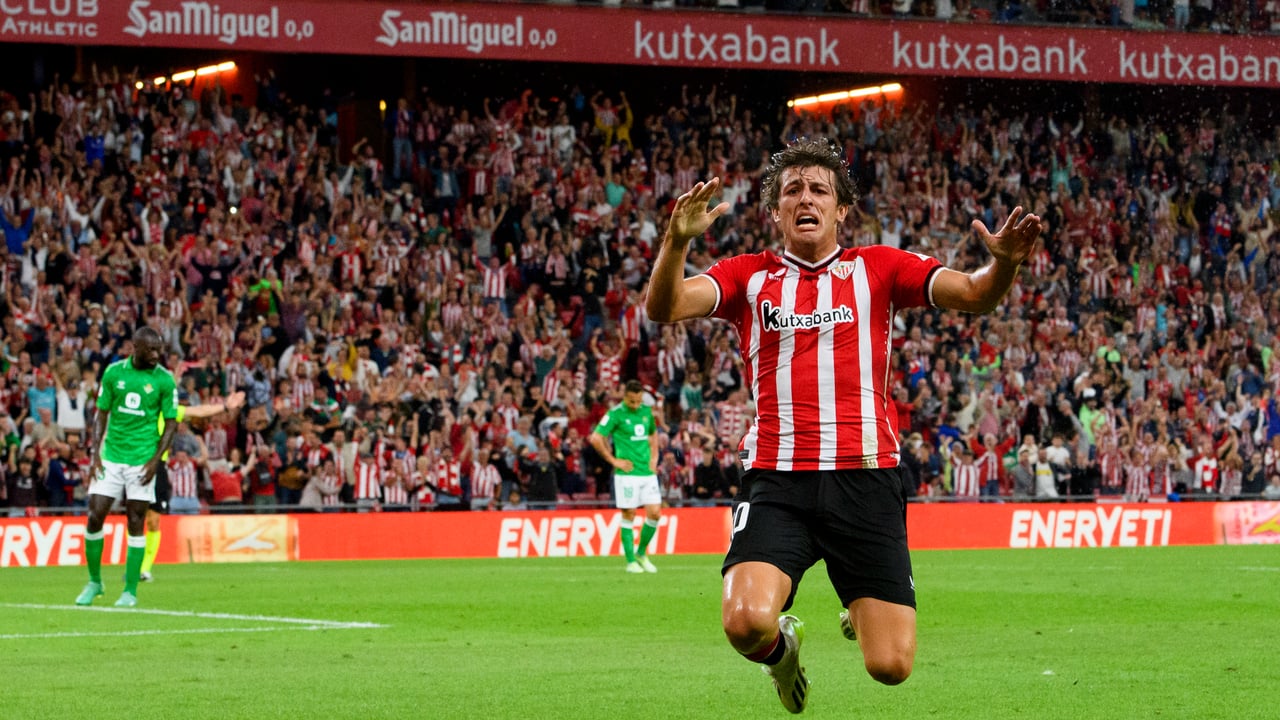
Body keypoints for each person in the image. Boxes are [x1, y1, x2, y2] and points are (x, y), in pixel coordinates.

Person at [644, 138, 1044, 713]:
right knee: (745, 622)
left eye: (819, 190)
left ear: (841, 210)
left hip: (865, 478)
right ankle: (782, 654)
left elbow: (977, 294)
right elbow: (664, 307)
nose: (805, 198)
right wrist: (676, 241)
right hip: (777, 479)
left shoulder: (879, 267)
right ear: (776, 211)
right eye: (792, 191)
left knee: (891, 667)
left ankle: (861, 609)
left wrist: (1004, 262)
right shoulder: (747, 276)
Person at [76, 327, 180, 608]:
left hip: (142, 460)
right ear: (135, 347)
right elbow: (101, 414)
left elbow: (171, 423)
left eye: (159, 350)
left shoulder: (164, 380)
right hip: (111, 456)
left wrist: (155, 460)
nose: (156, 355)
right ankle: (95, 582)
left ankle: (130, 591)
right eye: (151, 350)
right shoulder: (113, 373)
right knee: (95, 515)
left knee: (135, 521)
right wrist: (95, 454)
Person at [136, 392, 247, 582]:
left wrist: (224, 407)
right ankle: (133, 566)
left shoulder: (169, 411)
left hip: (158, 467)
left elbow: (199, 410)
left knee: (153, 520)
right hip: (135, 465)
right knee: (135, 519)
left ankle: (145, 569)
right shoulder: (137, 411)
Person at [589, 379, 661, 574]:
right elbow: (596, 438)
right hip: (627, 473)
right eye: (631, 401)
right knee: (629, 514)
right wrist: (613, 461)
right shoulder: (615, 414)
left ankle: (641, 553)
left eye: (638, 401)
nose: (635, 405)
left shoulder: (646, 411)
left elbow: (653, 434)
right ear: (624, 397)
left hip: (647, 472)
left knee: (655, 513)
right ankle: (630, 561)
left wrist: (654, 457)